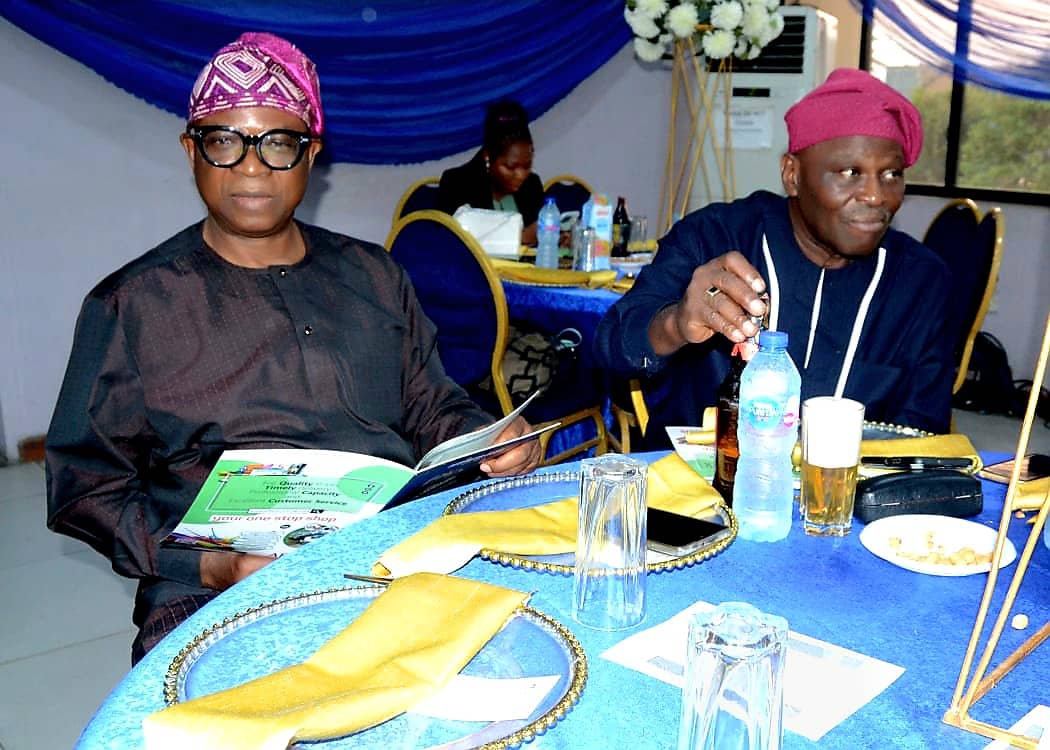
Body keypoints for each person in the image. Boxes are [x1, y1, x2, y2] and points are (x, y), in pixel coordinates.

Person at [45, 32, 540, 663]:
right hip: (212, 589)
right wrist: (211, 565)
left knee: (522, 665)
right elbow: (85, 489)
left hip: (390, 555)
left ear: (312, 155)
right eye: (224, 141)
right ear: (191, 150)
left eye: (279, 143)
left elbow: (431, 404)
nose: (251, 168)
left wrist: (488, 440)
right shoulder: (133, 304)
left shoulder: (374, 275)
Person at [595, 68, 954, 446]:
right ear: (792, 175)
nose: (876, 196)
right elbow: (610, 346)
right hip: (694, 479)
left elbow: (923, 433)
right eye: (850, 172)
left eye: (892, 175)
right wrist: (676, 323)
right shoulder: (713, 236)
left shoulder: (921, 282)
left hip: (846, 482)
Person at [437, 99, 545, 246]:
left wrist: (556, 238)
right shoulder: (457, 183)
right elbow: (447, 243)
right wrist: (522, 237)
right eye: (510, 167)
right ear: (488, 157)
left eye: (527, 166)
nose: (521, 175)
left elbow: (542, 239)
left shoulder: (532, 185)